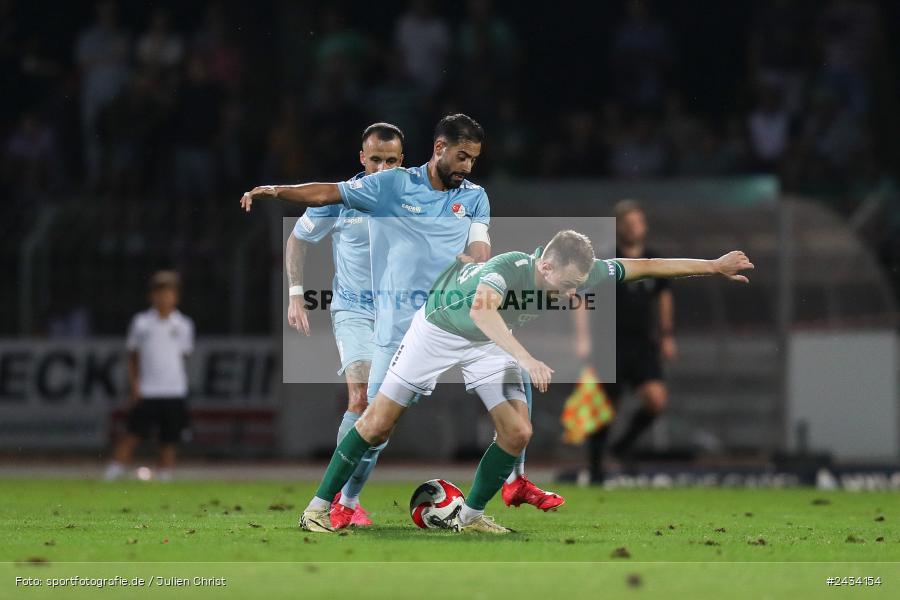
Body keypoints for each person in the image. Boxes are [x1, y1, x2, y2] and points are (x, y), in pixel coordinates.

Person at [297, 230, 754, 533]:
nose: (574, 292)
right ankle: (316, 509)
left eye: (581, 284)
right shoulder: (512, 267)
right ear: (547, 267)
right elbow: (482, 310)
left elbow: (647, 265)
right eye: (569, 284)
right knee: (377, 425)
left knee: (518, 432)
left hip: (487, 343)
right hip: (437, 331)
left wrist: (712, 266)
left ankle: (471, 516)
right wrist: (525, 356)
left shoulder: (579, 270)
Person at [242, 113, 563, 522]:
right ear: (439, 149)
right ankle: (343, 502)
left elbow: (480, 247)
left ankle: (515, 478)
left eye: (473, 160)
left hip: (446, 315)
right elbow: (323, 198)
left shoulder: (473, 195)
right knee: (371, 418)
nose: (467, 167)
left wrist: (475, 262)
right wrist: (275, 192)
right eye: (461, 157)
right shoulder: (385, 188)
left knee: (513, 367)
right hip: (383, 320)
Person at [286, 122, 405, 527]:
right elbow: (298, 239)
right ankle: (336, 498)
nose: (383, 168)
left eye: (391, 161)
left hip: (399, 315)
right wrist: (295, 292)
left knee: (382, 418)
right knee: (361, 401)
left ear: (402, 161)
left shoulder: (413, 197)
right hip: (353, 311)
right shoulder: (341, 199)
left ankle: (349, 500)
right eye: (375, 160)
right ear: (362, 158)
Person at [574, 201, 674, 483]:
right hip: (610, 344)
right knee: (606, 408)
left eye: (638, 222)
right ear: (618, 227)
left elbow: (664, 297)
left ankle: (622, 447)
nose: (634, 228)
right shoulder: (606, 261)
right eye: (628, 224)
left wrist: (666, 336)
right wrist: (582, 339)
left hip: (643, 344)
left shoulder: (653, 261)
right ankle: (595, 469)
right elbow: (582, 296)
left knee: (656, 400)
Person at [105, 271, 195, 482]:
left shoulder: (183, 325)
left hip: (174, 390)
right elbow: (133, 357)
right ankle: (113, 472)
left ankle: (165, 475)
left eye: (169, 294)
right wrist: (135, 385)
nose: (164, 298)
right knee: (133, 433)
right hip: (148, 389)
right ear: (151, 296)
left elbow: (183, 355)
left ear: (176, 297)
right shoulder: (141, 323)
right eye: (160, 293)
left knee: (169, 438)